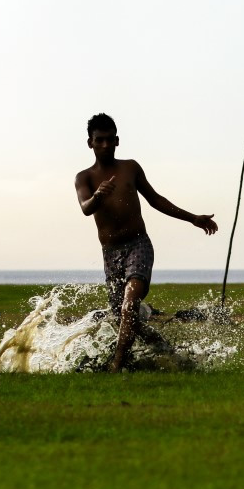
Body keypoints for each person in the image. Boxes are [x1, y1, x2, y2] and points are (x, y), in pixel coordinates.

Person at [75, 113, 218, 372]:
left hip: (138, 245)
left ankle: (116, 364)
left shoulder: (130, 167)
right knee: (124, 316)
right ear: (90, 143)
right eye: (100, 140)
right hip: (111, 253)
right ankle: (168, 354)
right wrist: (98, 196)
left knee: (130, 304)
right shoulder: (84, 177)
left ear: (117, 140)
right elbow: (86, 208)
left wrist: (193, 218)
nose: (105, 145)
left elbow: (155, 199)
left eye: (110, 140)